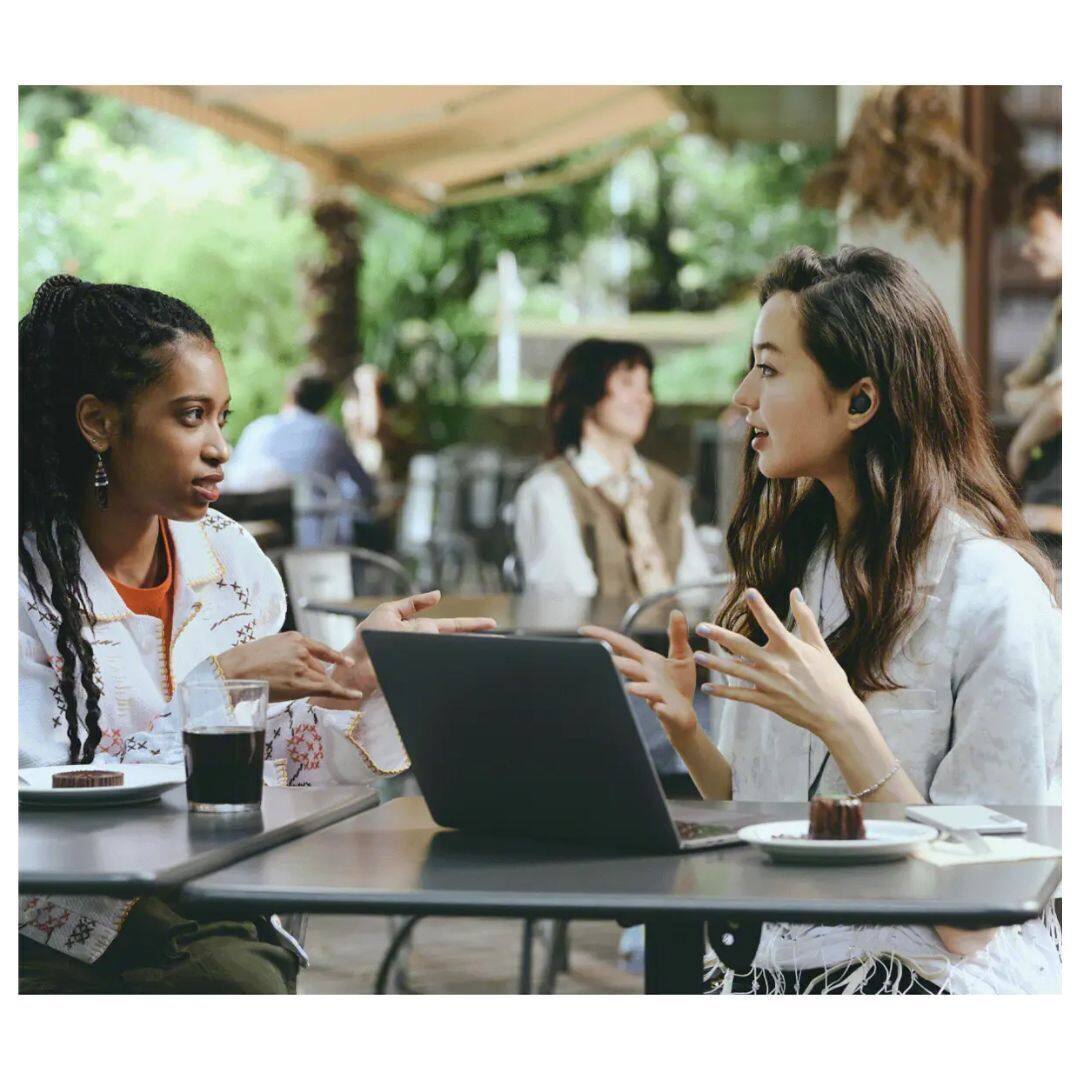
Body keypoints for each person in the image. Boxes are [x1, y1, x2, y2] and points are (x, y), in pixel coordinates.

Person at [585, 246, 1061, 994]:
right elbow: (770, 830)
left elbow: (974, 918)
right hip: (777, 967)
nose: (743, 395)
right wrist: (686, 729)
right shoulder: (795, 567)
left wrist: (845, 722)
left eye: (770, 369)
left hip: (925, 983)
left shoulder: (995, 595)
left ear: (860, 402)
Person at [18, 276, 495, 993]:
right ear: (98, 422)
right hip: (47, 922)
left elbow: (276, 774)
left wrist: (353, 688)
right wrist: (217, 687)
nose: (219, 448)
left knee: (237, 979)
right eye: (189, 417)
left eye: (222, 417)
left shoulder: (235, 563)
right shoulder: (22, 585)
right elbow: (40, 807)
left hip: (211, 897)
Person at [514, 338, 712, 598]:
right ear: (587, 393)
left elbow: (697, 591)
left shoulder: (668, 488)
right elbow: (565, 601)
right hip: (597, 638)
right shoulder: (549, 490)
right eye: (627, 384)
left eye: (647, 387)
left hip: (672, 638)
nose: (643, 399)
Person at [226, 364, 376, 546]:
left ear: (290, 394)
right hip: (318, 544)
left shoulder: (257, 429)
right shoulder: (329, 433)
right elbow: (366, 489)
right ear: (325, 402)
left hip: (252, 543)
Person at [1003, 168, 1062, 565]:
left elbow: (1061, 402)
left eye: (1036, 233)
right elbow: (1017, 391)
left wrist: (1021, 448)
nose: (1027, 248)